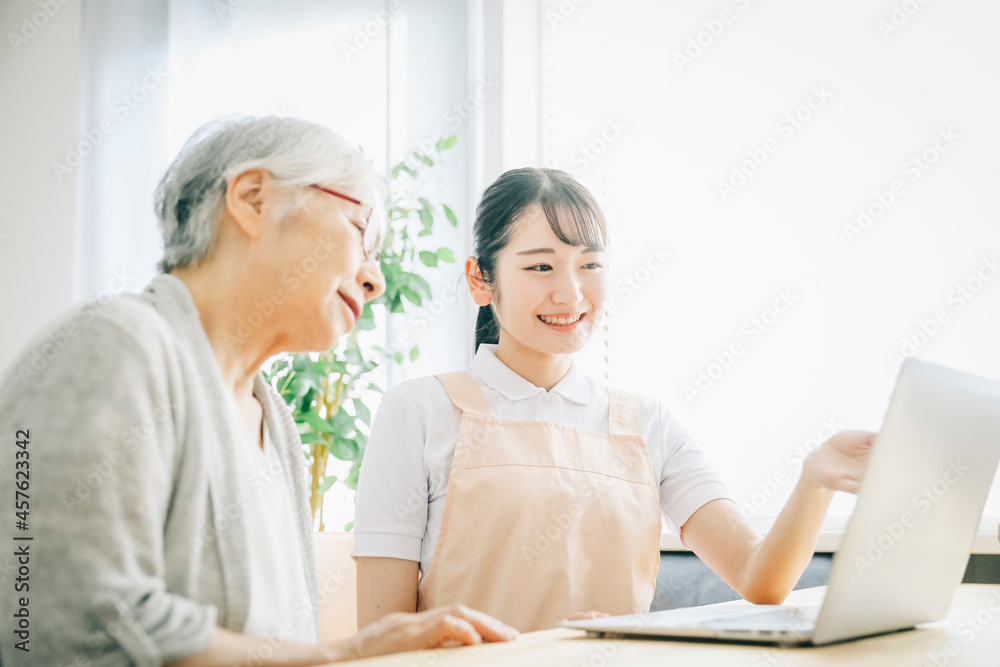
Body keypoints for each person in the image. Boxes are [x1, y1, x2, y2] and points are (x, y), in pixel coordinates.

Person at [0, 116, 516, 666]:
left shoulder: (275, 421)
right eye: (361, 231)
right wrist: (345, 654)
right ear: (252, 199)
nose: (375, 279)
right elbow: (58, 618)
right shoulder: (115, 344)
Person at [352, 167, 872, 632]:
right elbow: (384, 638)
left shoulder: (646, 422)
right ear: (480, 280)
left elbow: (761, 580)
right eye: (540, 268)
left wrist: (816, 479)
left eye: (590, 266)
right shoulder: (419, 411)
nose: (571, 293)